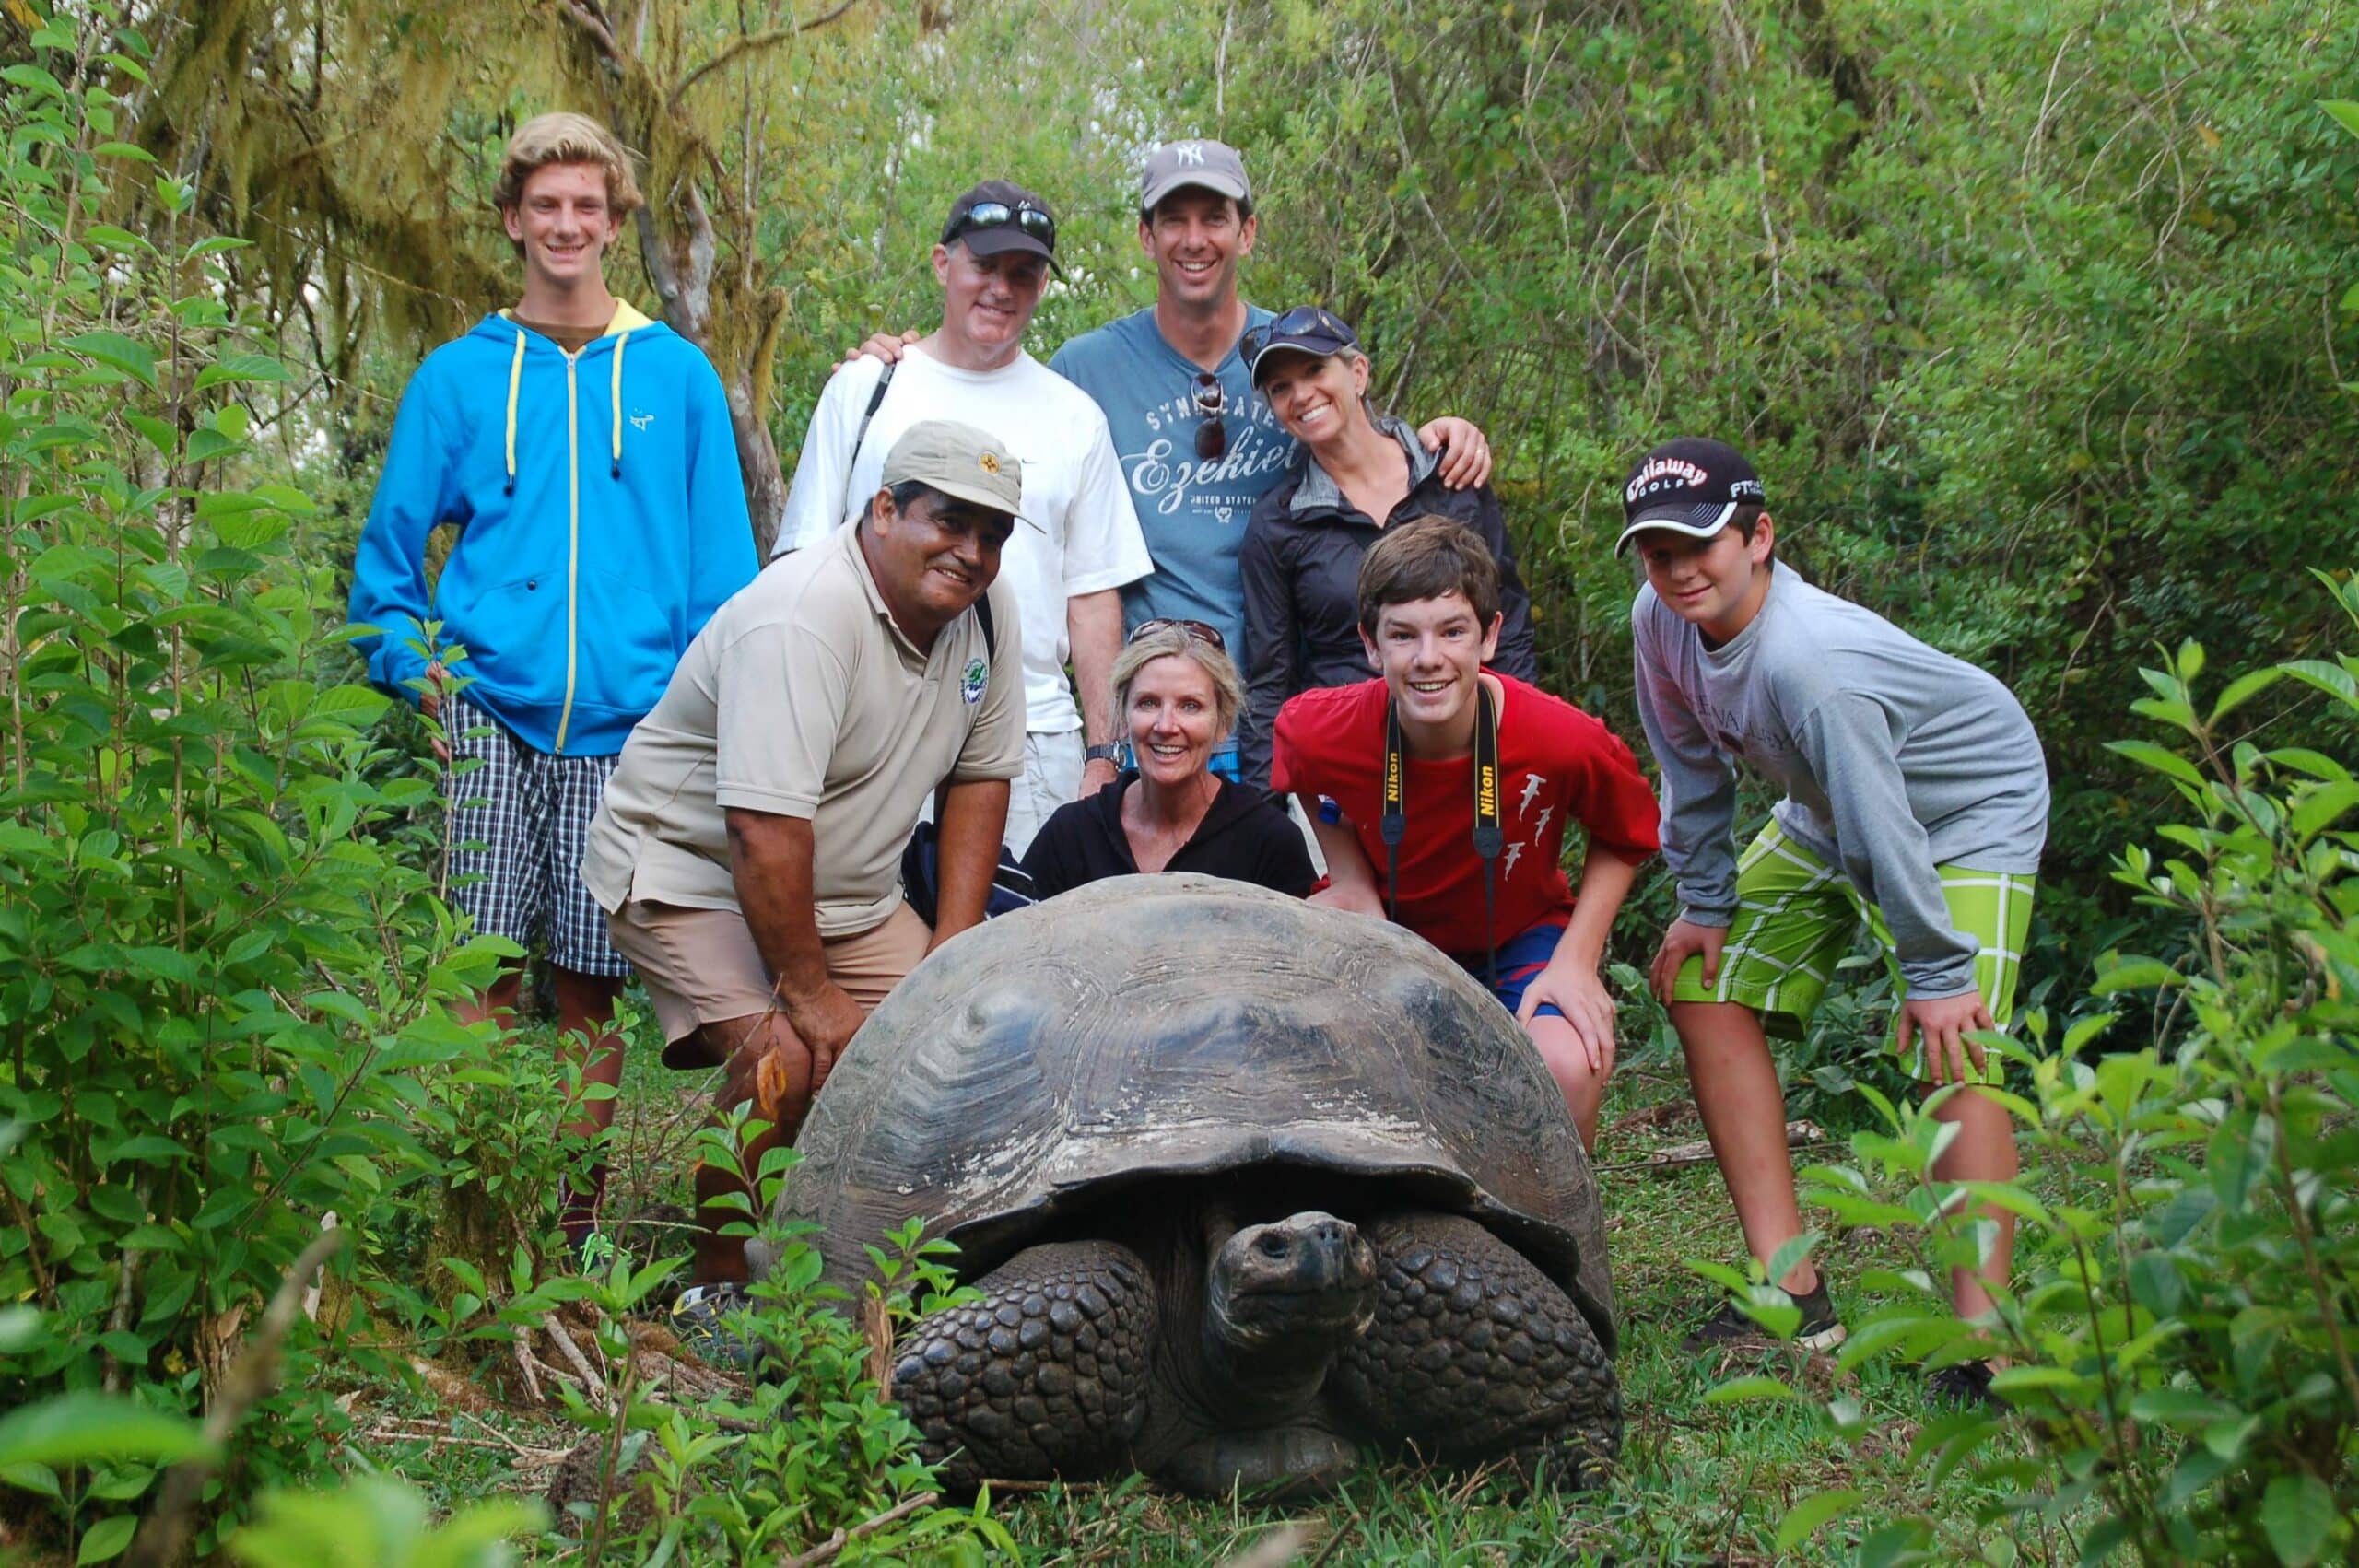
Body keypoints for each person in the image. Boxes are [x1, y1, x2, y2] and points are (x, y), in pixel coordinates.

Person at [346, 111, 756, 1256]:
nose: (565, 224)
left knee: (585, 988)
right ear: (514, 218)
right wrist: (416, 667)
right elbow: (387, 562)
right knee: (476, 974)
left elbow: (724, 576)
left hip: (628, 733)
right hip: (484, 714)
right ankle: (469, 1222)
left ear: (617, 222)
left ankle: (565, 1238)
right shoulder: (460, 377)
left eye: (588, 205)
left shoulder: (675, 378)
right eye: (545, 205)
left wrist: (689, 719)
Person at [1622, 438, 2048, 1405]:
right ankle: (1791, 1291)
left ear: (1759, 536)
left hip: (1964, 805)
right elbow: (1687, 766)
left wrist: (1936, 977)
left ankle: (1981, 1343)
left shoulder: (1809, 664)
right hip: (1829, 804)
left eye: (1703, 545)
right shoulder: (1661, 619)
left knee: (1956, 1044)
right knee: (1700, 983)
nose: (1681, 570)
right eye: (1658, 552)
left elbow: (1882, 827)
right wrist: (1704, 903)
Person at [850, 141, 1495, 778]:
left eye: (1214, 218)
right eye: (1173, 220)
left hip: (1290, 717)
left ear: (1247, 233)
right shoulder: (1086, 370)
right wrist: (904, 359)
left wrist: (1447, 435)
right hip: (1156, 728)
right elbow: (997, 415)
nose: (1194, 239)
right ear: (1144, 236)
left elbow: (1368, 455)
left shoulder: (1289, 356)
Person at [580, 419, 1025, 1337]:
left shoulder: (985, 610)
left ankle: (905, 1267)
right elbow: (759, 828)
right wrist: (812, 992)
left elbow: (981, 777)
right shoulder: (803, 614)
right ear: (885, 508)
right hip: (688, 868)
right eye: (949, 522)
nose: (972, 552)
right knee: (783, 1055)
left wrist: (951, 955)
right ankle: (716, 1283)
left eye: (992, 534)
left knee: (965, 1042)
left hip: (845, 890)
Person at [774, 181, 1150, 855]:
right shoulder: (866, 389)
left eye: (1024, 273)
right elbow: (802, 563)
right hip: (868, 724)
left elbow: (1092, 598)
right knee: (871, 938)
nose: (1001, 289)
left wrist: (1104, 752)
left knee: (1027, 945)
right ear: (943, 264)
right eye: (985, 266)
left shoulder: (1074, 416)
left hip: (1028, 737)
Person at [1273, 518, 1660, 1149]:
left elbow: (1629, 833)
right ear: (1370, 644)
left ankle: (1564, 1232)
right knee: (1324, 1068)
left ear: (1490, 636)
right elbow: (1299, 762)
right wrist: (1349, 875)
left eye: (1453, 632)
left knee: (1566, 1061)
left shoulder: (1562, 739)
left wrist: (1578, 961)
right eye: (1403, 635)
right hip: (1393, 936)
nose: (1429, 658)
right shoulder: (1323, 728)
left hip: (1518, 935)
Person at [1236, 305, 1539, 792]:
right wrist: (1269, 809)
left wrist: (1523, 746)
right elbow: (1270, 678)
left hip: (1466, 751)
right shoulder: (1278, 523)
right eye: (1280, 388)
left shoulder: (1452, 478)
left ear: (1358, 373)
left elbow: (1510, 626)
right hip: (1349, 766)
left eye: (1315, 370)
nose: (1302, 394)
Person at [1021, 621, 1317, 899]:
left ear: (1224, 724)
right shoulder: (1072, 835)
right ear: (1124, 716)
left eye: (1190, 706)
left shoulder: (1267, 842)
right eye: (1148, 703)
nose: (1166, 725)